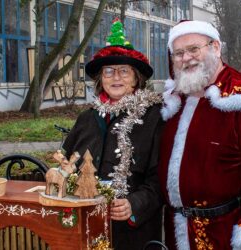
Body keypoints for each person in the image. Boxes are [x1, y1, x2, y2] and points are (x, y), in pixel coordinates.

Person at [158, 20, 241, 249]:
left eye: (194, 49)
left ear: (216, 47)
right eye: (179, 53)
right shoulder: (173, 101)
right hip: (176, 231)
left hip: (223, 232)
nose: (186, 58)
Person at [63, 19, 164, 250]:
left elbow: (161, 179)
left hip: (131, 231)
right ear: (101, 79)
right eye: (108, 71)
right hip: (85, 225)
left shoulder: (153, 117)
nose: (116, 77)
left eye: (124, 71)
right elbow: (66, 164)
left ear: (136, 78)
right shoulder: (86, 118)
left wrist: (134, 204)